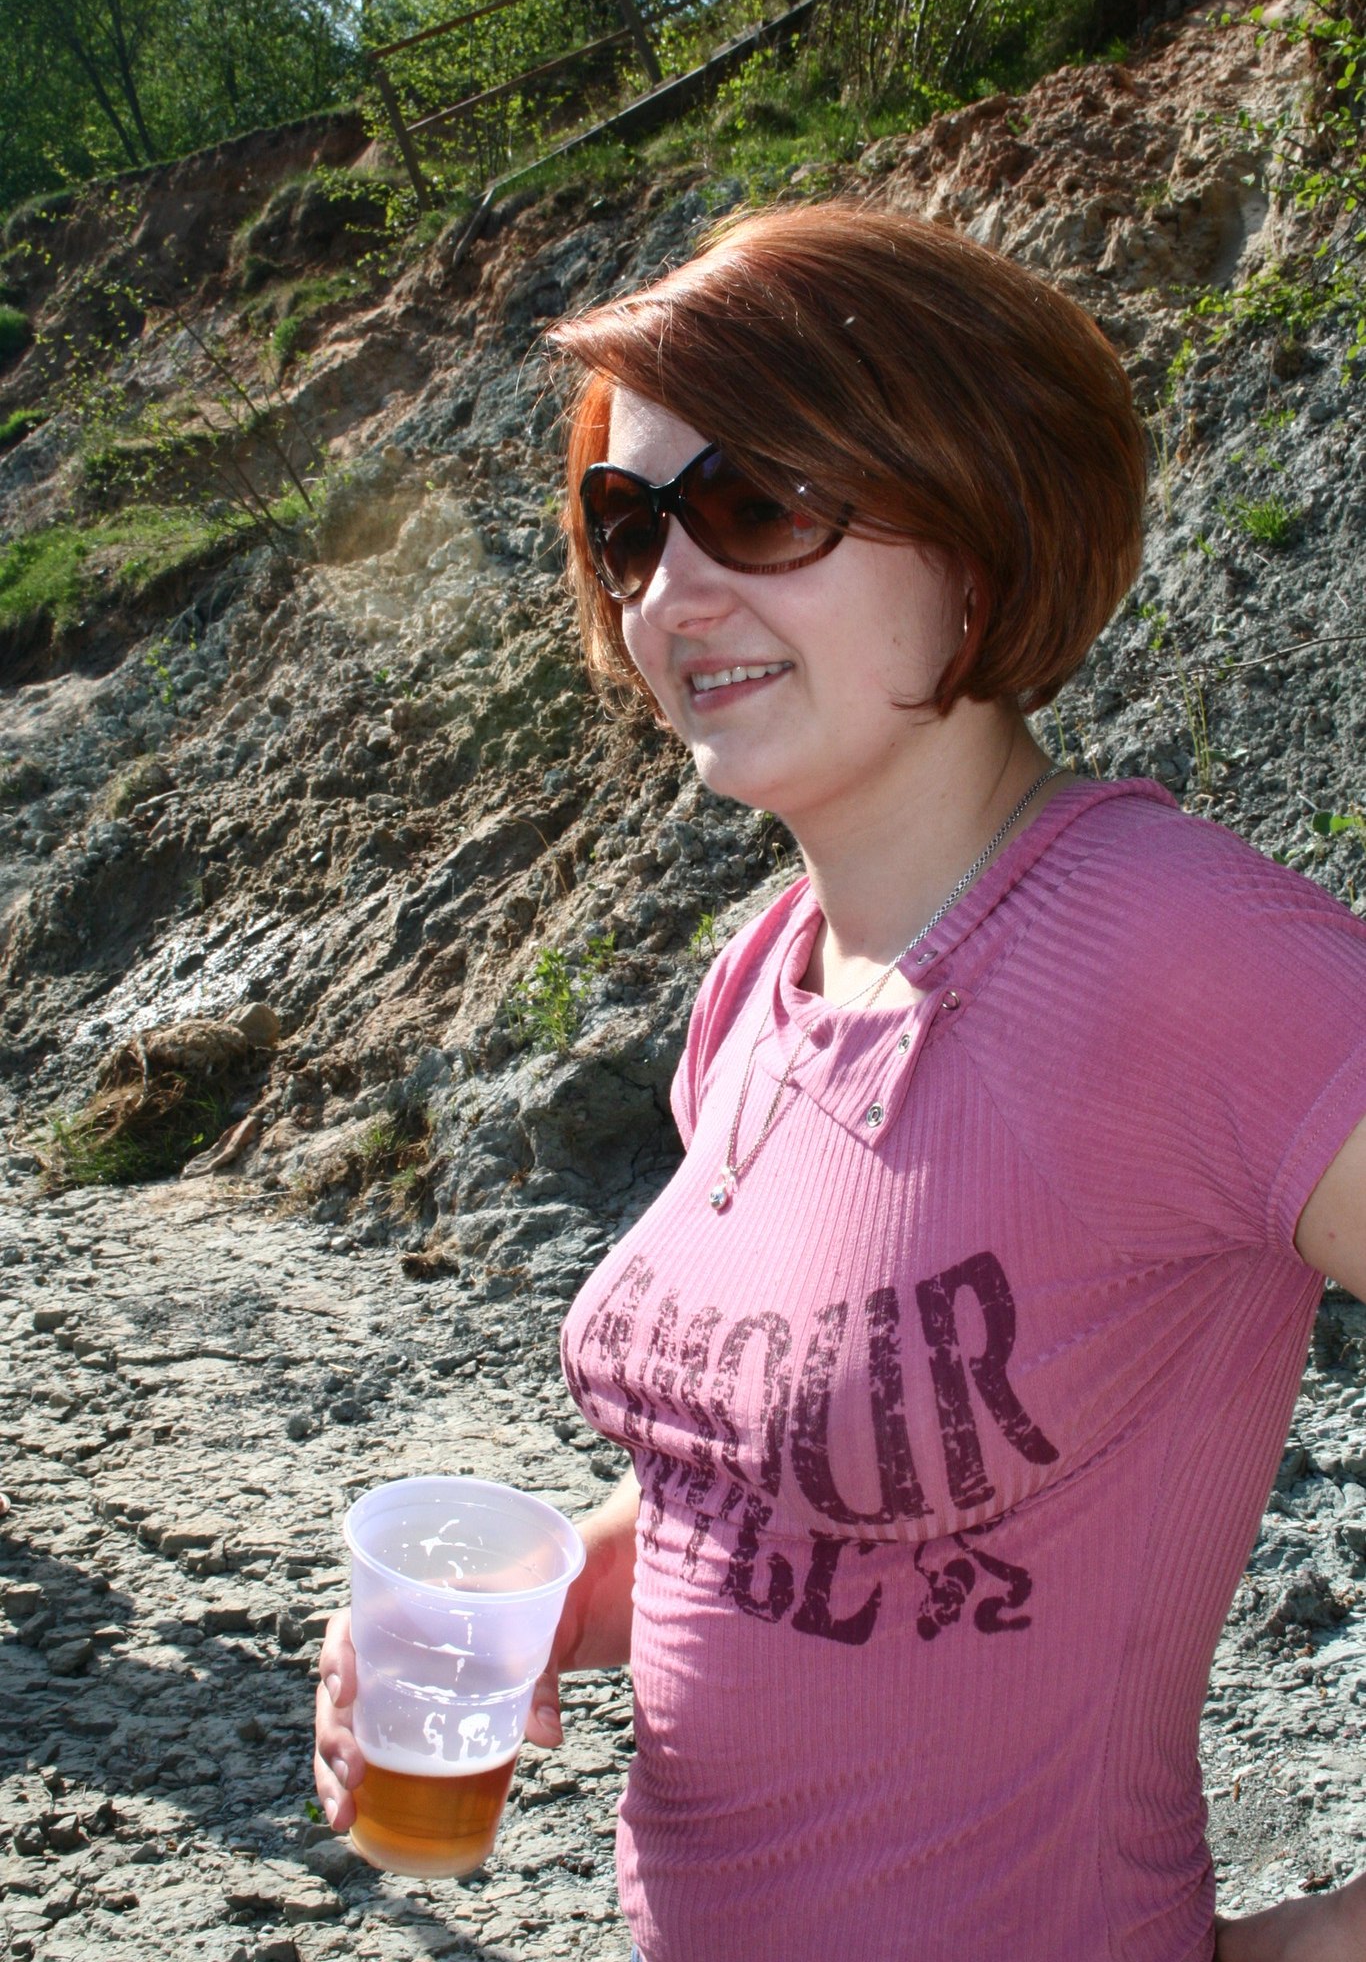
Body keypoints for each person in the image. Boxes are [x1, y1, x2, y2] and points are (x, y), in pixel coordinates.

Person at [315, 203, 1366, 1961]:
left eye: (755, 503)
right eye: (628, 528)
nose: (671, 592)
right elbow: (788, 1492)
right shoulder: (760, 980)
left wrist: (1317, 1944)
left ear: (975, 518)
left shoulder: (1183, 959)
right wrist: (552, 1593)